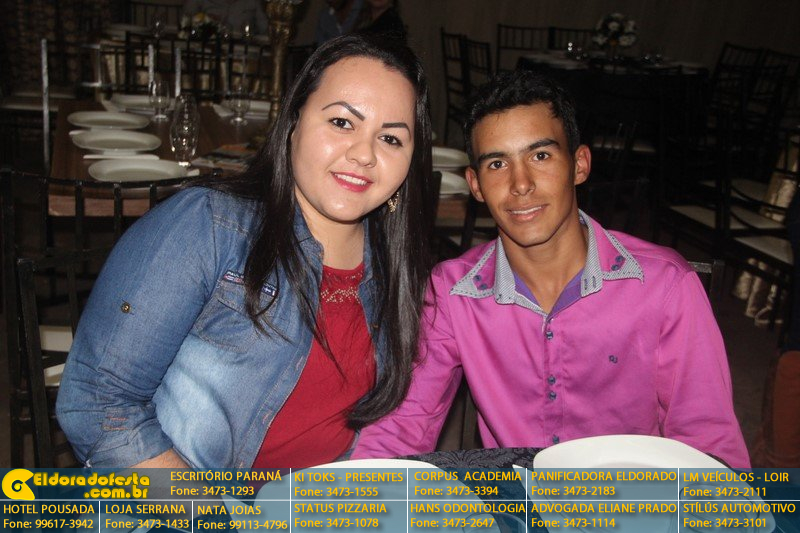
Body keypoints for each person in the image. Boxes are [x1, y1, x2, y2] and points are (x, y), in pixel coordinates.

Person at [56, 33, 434, 469]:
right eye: (341, 122)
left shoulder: (392, 265)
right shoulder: (209, 226)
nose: (364, 154)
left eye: (391, 139)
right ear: (293, 122)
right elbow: (98, 404)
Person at [353, 70, 750, 468]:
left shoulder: (664, 286)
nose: (521, 184)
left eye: (540, 156)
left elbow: (708, 443)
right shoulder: (452, 292)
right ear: (475, 185)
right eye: (497, 164)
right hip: (516, 498)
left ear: (579, 165)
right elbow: (402, 424)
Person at [182, 0, 268, 35]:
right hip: (209, 52)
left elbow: (264, 29)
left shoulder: (254, 2)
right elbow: (186, 18)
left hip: (243, 52)